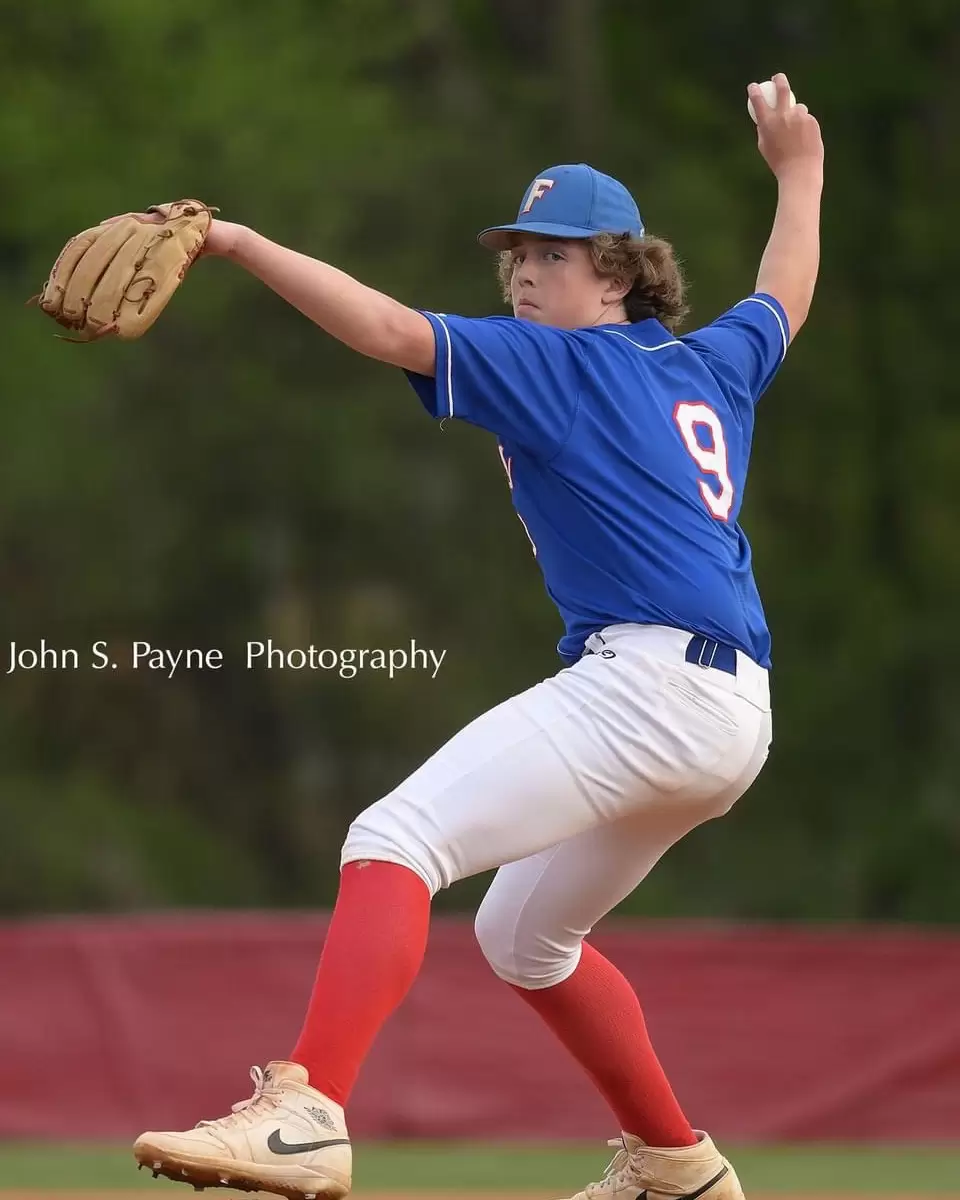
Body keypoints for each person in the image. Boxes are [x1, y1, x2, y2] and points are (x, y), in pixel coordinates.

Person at [133, 73, 824, 1200]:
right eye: (515, 252)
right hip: (732, 717)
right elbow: (782, 294)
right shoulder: (706, 366)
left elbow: (391, 328)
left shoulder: (560, 360)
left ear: (615, 274)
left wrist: (243, 244)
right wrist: (801, 173)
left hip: (647, 687)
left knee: (395, 836)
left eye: (550, 255)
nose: (521, 273)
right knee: (523, 939)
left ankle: (304, 1115)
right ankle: (676, 1163)